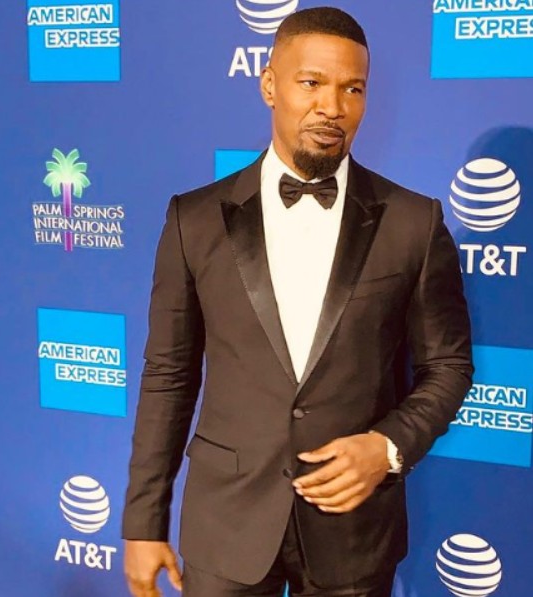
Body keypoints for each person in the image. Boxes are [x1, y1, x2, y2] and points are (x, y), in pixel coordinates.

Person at [122, 6, 473, 597]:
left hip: (354, 533)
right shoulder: (194, 219)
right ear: (269, 85)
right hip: (227, 526)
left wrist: (387, 448)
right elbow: (168, 375)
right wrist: (143, 520)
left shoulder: (414, 221)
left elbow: (448, 366)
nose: (332, 107)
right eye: (311, 82)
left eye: (352, 89)